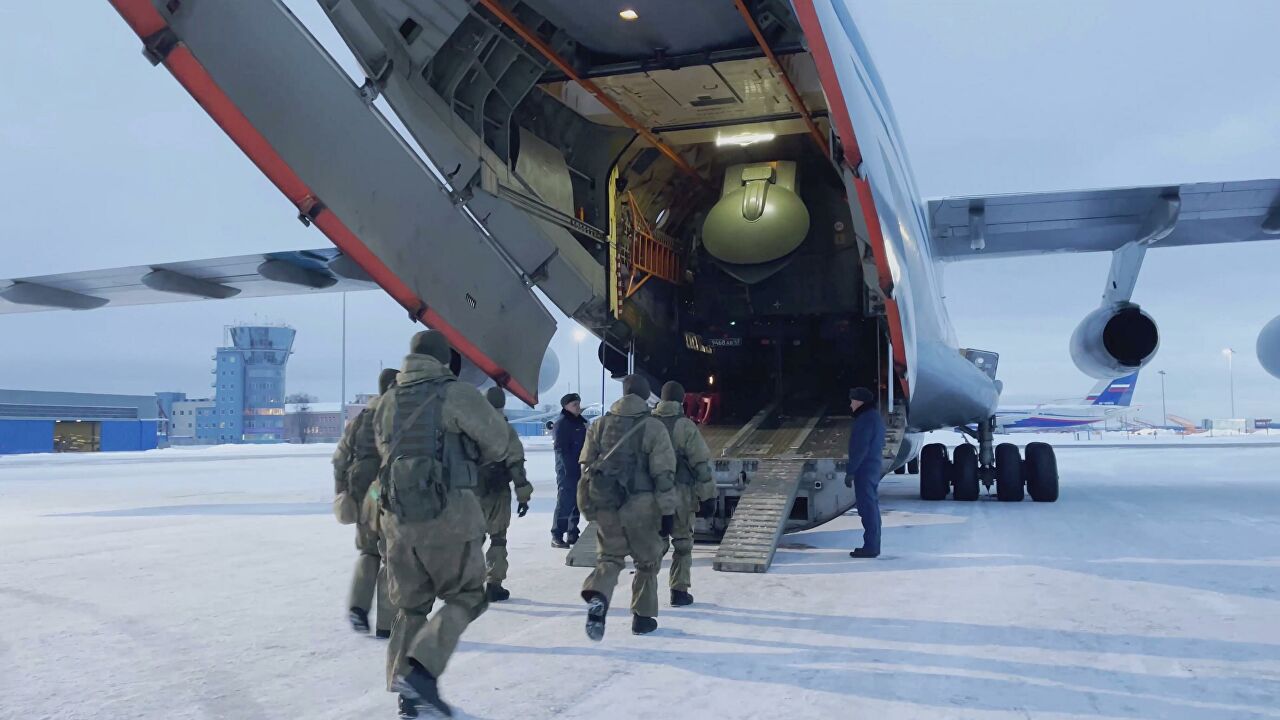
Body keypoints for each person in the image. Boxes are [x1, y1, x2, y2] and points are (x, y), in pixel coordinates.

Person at [374, 330, 513, 718]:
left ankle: (407, 697)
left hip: (399, 522)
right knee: (468, 595)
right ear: (445, 360)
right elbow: (498, 443)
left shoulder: (387, 400)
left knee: (411, 607)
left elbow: (384, 452)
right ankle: (421, 672)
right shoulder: (457, 394)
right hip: (450, 518)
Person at [577, 374, 676, 639]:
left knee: (609, 559)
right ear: (645, 396)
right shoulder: (654, 427)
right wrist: (668, 512)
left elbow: (586, 466)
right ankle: (642, 618)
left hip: (608, 504)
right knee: (647, 562)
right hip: (642, 506)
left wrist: (588, 503)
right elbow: (663, 474)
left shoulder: (599, 425)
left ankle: (598, 595)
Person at [332, 368, 399, 638]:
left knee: (368, 552)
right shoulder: (396, 415)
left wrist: (342, 491)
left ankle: (358, 607)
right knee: (390, 555)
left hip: (361, 492)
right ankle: (387, 623)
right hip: (384, 491)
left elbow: (340, 457)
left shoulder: (361, 418)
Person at [651, 381, 717, 606]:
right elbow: (701, 464)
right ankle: (679, 592)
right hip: (680, 494)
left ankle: (645, 593)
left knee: (654, 545)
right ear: (681, 400)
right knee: (682, 544)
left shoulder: (647, 424)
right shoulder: (686, 426)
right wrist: (708, 495)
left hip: (652, 495)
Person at [476, 386, 534, 602]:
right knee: (498, 539)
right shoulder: (506, 430)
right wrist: (523, 496)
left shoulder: (468, 427)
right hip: (498, 491)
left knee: (472, 540)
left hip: (471, 492)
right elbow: (516, 465)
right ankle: (494, 583)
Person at [845, 387, 887, 559]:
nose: (850, 405)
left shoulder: (865, 419)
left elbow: (860, 448)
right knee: (870, 507)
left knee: (867, 508)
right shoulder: (874, 417)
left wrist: (851, 470)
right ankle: (872, 545)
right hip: (872, 466)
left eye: (852, 401)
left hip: (865, 469)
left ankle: (871, 547)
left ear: (859, 402)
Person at [551, 392, 588, 548]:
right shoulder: (562, 424)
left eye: (578, 404)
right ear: (566, 407)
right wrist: (568, 470)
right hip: (567, 469)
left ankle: (573, 533)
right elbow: (560, 449)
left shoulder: (581, 423)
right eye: (574, 405)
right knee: (565, 501)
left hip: (580, 467)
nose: (578, 407)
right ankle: (557, 535)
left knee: (577, 502)